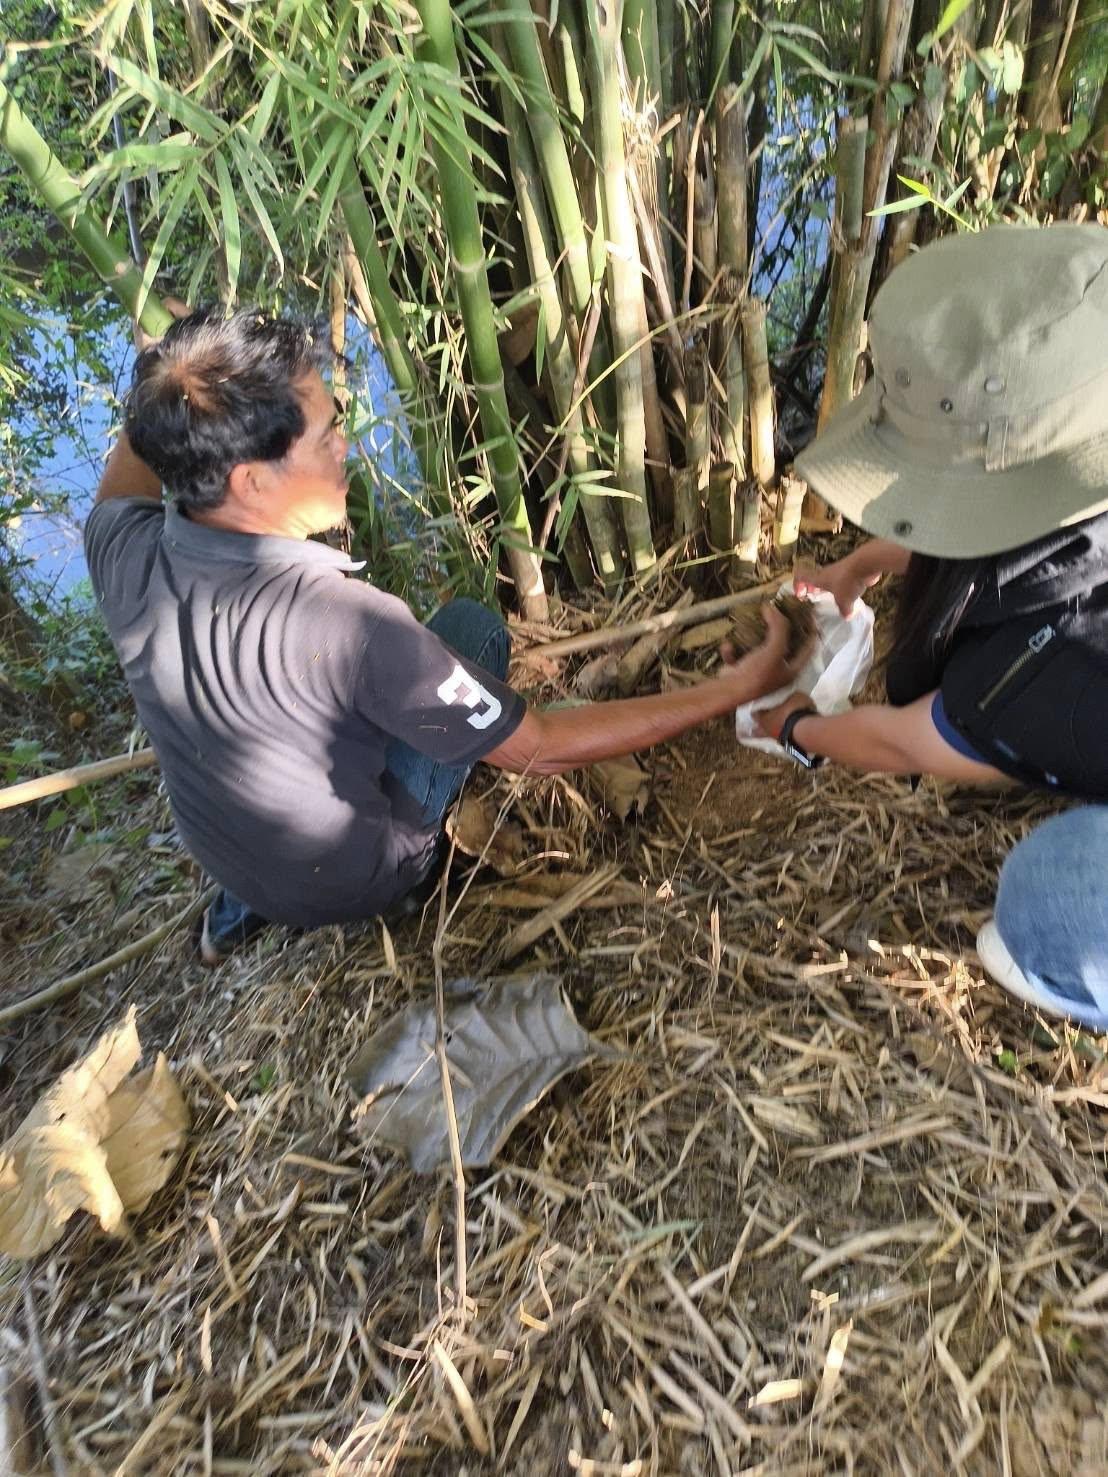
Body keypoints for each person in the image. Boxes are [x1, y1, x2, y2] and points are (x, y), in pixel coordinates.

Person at [87, 308, 799, 964]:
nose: (346, 449)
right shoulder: (349, 626)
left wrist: (185, 376)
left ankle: (236, 913)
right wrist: (734, 687)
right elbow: (541, 749)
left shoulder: (122, 549)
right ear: (247, 481)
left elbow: (142, 443)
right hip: (348, 879)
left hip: (229, 855)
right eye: (326, 435)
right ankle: (401, 880)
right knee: (472, 629)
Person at [755, 223, 1108, 1029]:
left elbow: (904, 741)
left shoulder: (1016, 680)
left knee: (1042, 911)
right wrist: (865, 564)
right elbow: (1037, 535)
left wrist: (797, 725)